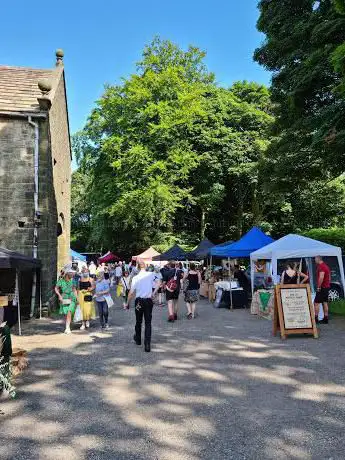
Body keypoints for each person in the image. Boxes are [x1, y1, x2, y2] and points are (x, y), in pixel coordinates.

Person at [125, 260, 161, 352]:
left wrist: (127, 303)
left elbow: (131, 292)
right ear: (145, 266)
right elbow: (159, 282)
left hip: (139, 302)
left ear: (137, 267)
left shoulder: (136, 278)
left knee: (138, 321)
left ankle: (138, 339)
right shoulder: (151, 274)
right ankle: (147, 345)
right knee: (148, 323)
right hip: (148, 301)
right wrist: (153, 292)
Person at [55, 266, 78, 334]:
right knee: (66, 313)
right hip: (64, 297)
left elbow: (74, 290)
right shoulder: (61, 281)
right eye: (71, 273)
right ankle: (68, 324)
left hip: (72, 297)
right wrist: (59, 295)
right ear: (67, 273)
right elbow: (56, 288)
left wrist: (77, 298)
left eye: (73, 273)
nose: (73, 274)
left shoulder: (73, 281)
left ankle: (67, 327)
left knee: (69, 311)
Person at [314, 256, 331, 324]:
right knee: (325, 302)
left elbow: (321, 277)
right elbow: (329, 277)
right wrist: (327, 284)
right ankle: (326, 318)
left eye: (315, 259)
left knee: (316, 303)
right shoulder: (326, 266)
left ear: (318, 259)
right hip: (326, 287)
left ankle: (316, 318)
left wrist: (318, 287)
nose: (315, 260)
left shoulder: (321, 266)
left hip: (322, 288)